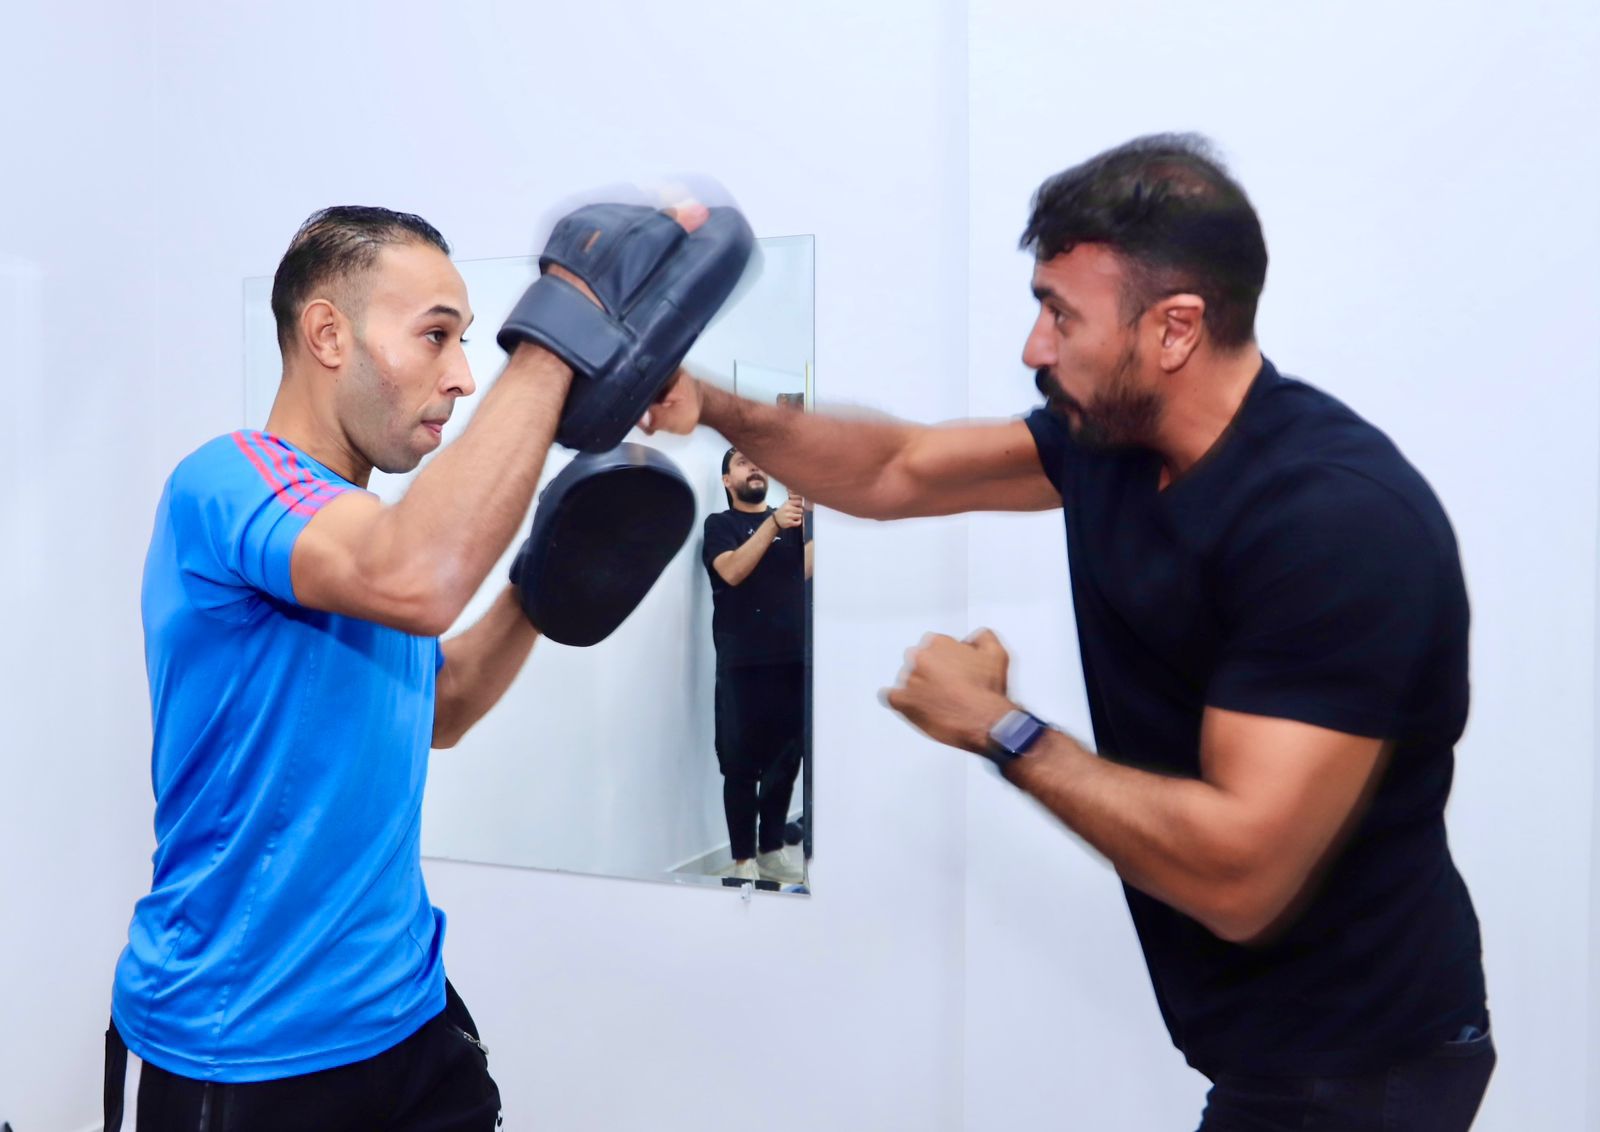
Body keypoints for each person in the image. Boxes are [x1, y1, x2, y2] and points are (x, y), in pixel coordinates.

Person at [645, 134, 1493, 1130]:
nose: (1033, 348)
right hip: (1268, 1048)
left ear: (1175, 328)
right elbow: (894, 468)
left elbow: (1242, 876)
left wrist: (1000, 728)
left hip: (1366, 1062)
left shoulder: (1331, 522)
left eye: (1061, 315)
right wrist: (714, 406)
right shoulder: (1113, 442)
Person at [108, 200, 706, 1130]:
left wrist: (542, 590)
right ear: (327, 334)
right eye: (436, 335)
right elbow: (415, 576)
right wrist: (557, 340)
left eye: (465, 341)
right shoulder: (228, 484)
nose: (461, 375)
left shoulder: (363, 536)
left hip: (408, 1014)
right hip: (247, 1042)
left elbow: (446, 703)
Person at [702, 448, 812, 884]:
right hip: (742, 664)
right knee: (741, 765)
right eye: (742, 462)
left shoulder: (792, 523)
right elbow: (731, 572)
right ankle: (743, 860)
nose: (754, 466)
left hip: (791, 661)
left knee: (786, 762)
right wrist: (772, 524)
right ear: (727, 481)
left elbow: (804, 569)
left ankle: (770, 851)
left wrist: (821, 517)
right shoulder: (720, 526)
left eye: (758, 461)